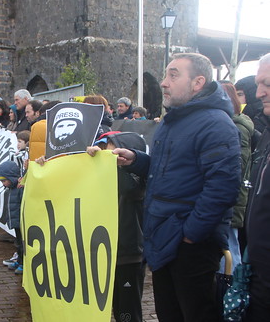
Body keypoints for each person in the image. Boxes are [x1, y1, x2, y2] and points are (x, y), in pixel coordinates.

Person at [112, 52, 241, 322]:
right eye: (165, 74)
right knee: (169, 314)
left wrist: (190, 235)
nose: (163, 83)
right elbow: (166, 170)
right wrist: (136, 160)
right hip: (164, 239)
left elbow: (223, 188)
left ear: (198, 83)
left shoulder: (216, 123)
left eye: (173, 75)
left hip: (188, 246)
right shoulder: (176, 121)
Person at [87, 131, 147, 322]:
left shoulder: (138, 180)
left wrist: (107, 164)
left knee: (127, 314)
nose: (104, 153)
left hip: (127, 257)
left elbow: (130, 189)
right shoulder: (99, 174)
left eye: (109, 149)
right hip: (99, 255)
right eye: (103, 148)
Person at [218, 81, 254, 271]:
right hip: (232, 198)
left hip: (232, 200)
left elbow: (236, 167)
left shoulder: (237, 127)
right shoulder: (236, 124)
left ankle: (231, 289)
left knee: (230, 245)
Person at [245, 53, 270, 321]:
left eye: (267, 84)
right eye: (258, 84)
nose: (259, 93)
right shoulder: (265, 134)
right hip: (259, 282)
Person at [0, 161, 25, 275]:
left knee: (21, 243)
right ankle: (19, 260)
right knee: (17, 242)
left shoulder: (19, 188)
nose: (3, 184)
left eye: (4, 181)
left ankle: (23, 263)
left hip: (20, 221)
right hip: (15, 220)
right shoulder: (12, 188)